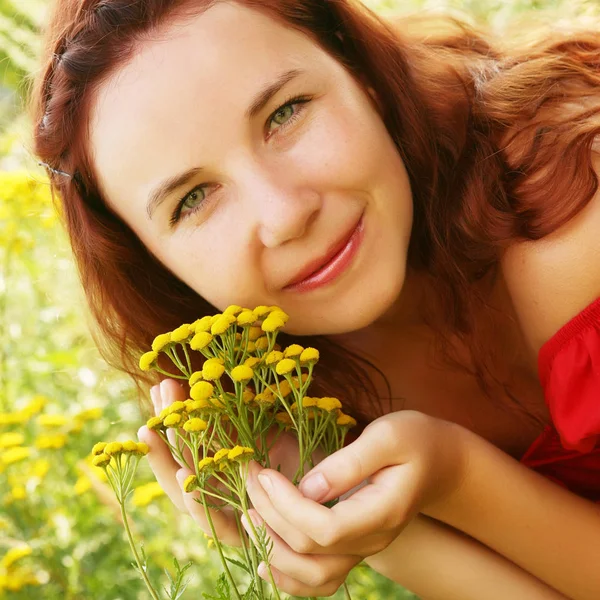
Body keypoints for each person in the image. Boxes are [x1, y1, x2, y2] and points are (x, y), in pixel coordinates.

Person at [30, 1, 600, 598]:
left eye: (286, 113)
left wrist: (457, 480)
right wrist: (358, 516)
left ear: (362, 76)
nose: (285, 215)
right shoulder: (286, 395)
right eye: (193, 199)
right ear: (155, 264)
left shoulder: (569, 214)